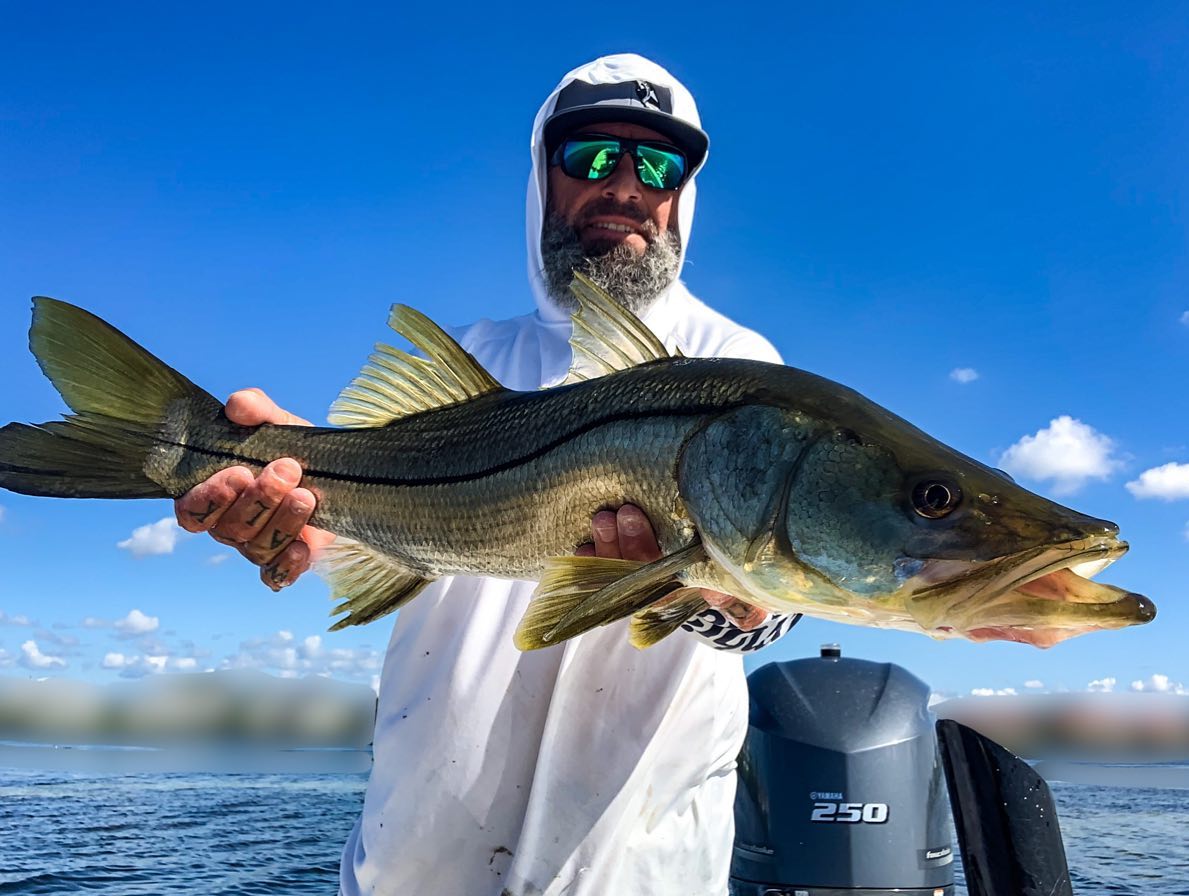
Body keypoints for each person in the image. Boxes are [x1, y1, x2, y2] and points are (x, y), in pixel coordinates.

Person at [175, 54, 800, 896]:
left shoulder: (736, 367)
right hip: (417, 852)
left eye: (657, 164)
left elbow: (768, 618)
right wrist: (294, 516)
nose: (623, 184)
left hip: (631, 863)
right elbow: (362, 531)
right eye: (588, 155)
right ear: (541, 176)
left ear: (682, 194)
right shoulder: (470, 355)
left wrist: (718, 597)